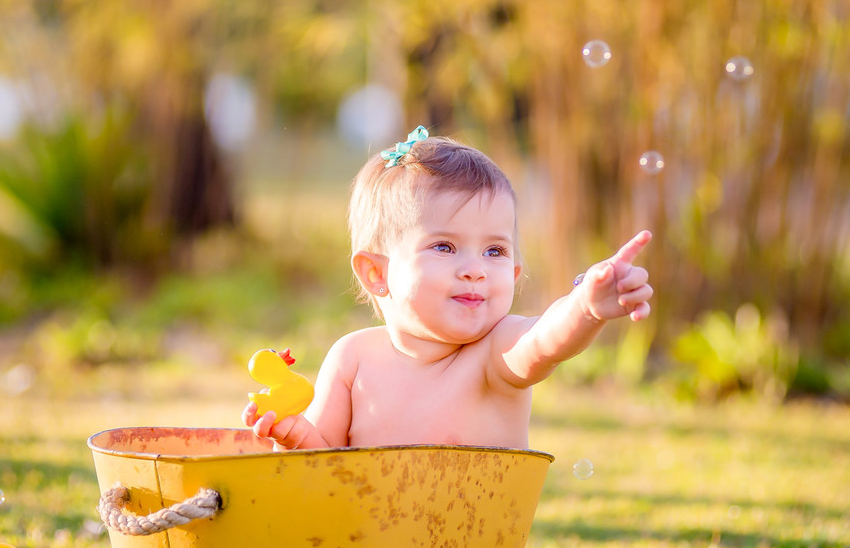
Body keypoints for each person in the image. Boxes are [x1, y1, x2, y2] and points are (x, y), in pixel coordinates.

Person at [243, 126, 652, 450]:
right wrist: (293, 434)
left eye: (495, 251)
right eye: (445, 246)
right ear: (376, 273)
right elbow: (322, 468)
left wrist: (586, 306)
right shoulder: (352, 360)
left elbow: (546, 340)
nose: (475, 270)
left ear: (513, 274)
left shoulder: (496, 350)